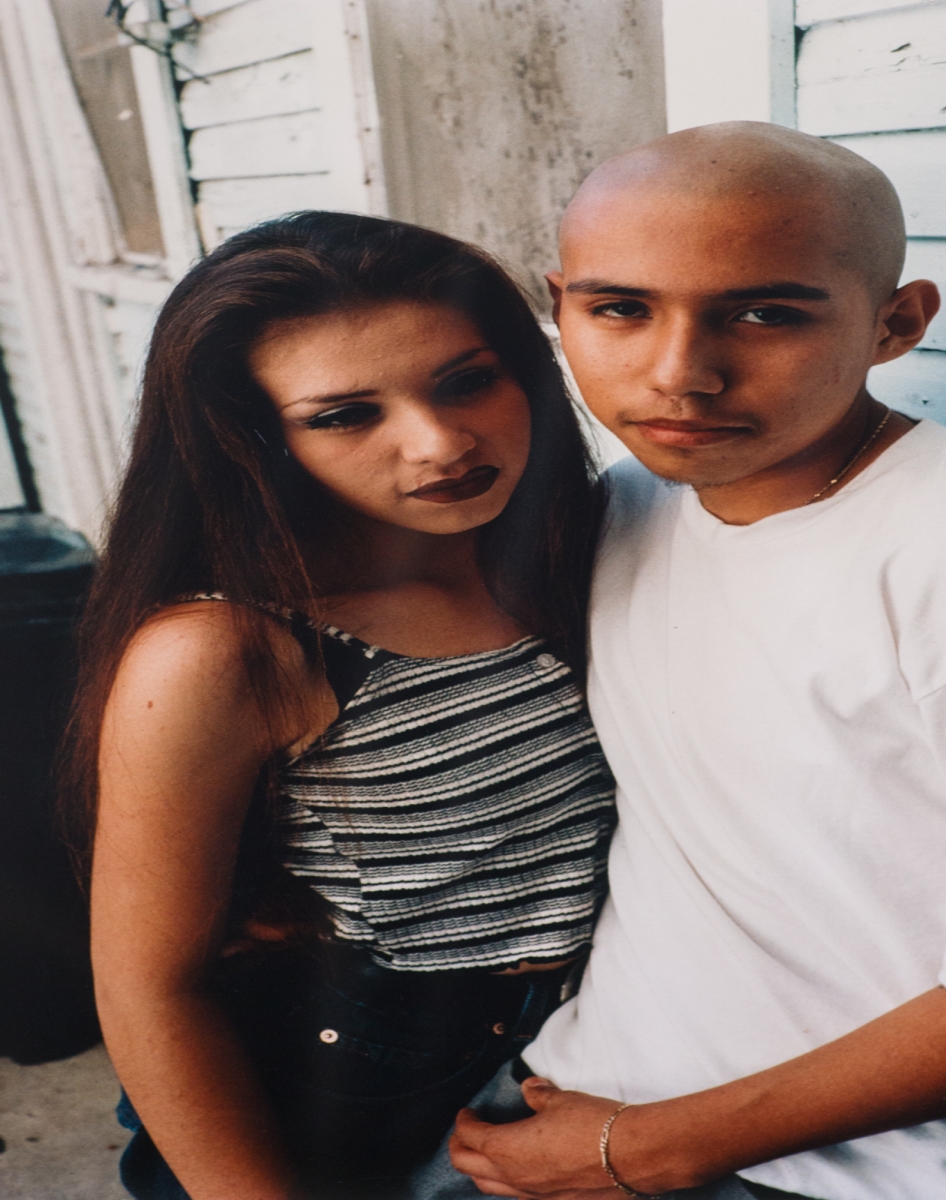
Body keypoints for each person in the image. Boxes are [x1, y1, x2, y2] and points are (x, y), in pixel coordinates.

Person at [430, 123, 946, 1199]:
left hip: (929, 1172)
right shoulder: (631, 502)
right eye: (620, 309)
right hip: (598, 1091)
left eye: (764, 313)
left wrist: (651, 1149)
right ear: (560, 307)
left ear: (897, 322)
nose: (680, 373)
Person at [62, 212, 616, 1200]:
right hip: (367, 1092)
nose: (440, 441)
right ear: (257, 440)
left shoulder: (584, 552)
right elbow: (151, 986)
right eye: (344, 415)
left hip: (604, 1049)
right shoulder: (231, 651)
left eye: (467, 379)